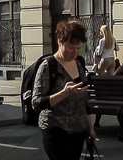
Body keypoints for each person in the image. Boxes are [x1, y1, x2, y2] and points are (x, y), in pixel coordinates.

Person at [31, 20, 94, 160]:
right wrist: (64, 93)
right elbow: (36, 103)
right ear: (60, 42)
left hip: (78, 130)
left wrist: (90, 127)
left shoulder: (78, 64)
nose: (75, 52)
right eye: (71, 48)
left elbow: (85, 101)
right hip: (56, 130)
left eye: (79, 48)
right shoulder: (48, 66)